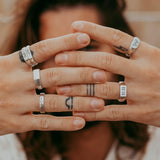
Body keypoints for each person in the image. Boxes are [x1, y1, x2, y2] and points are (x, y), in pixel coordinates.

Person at [0, 0, 159, 160]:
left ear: (120, 53)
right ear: (35, 67)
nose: (74, 71)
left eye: (88, 48)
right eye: (56, 54)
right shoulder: (7, 141)